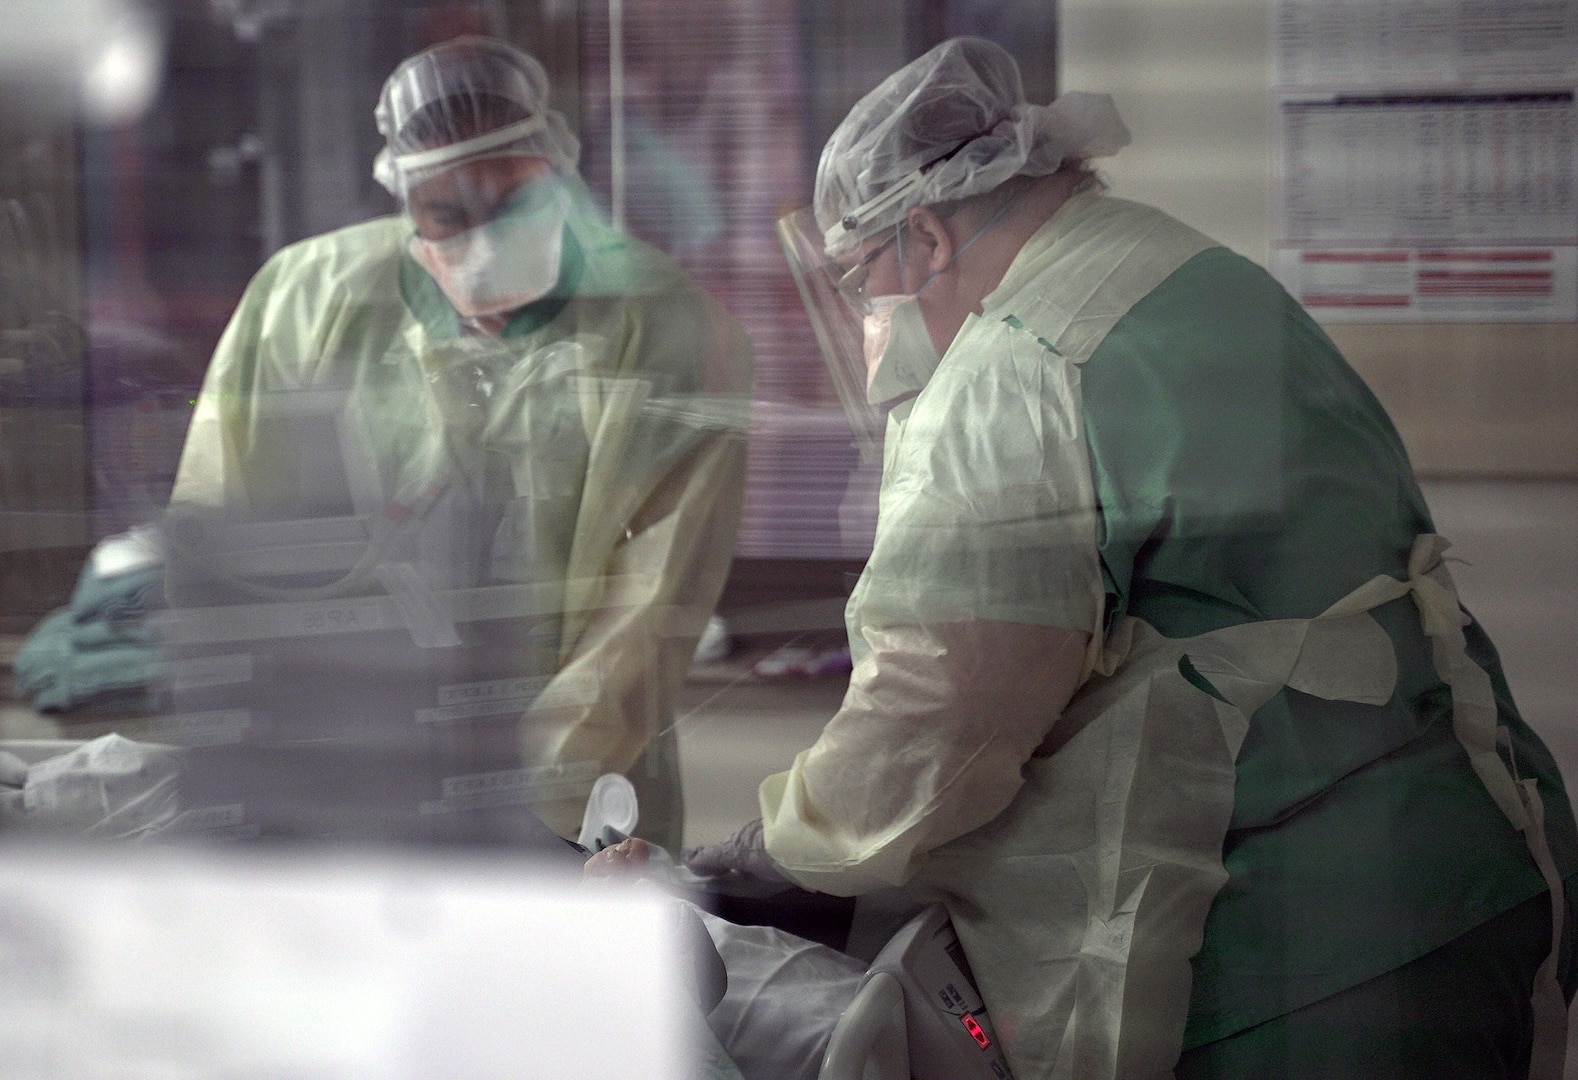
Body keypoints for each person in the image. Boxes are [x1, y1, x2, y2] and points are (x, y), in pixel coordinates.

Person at [689, 37, 1578, 1080]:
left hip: (1286, 952)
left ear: (924, 235)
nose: (867, 321)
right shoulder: (1197, 272)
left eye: (861, 280)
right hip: (1465, 858)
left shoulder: (1013, 368)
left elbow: (936, 724)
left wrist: (765, 851)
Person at [169, 37, 751, 852]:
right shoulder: (305, 300)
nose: (481, 241)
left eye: (511, 205)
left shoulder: (665, 327)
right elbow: (223, 529)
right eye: (447, 214)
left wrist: (535, 797)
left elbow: (650, 608)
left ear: (558, 168)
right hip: (341, 753)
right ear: (404, 201)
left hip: (580, 786)